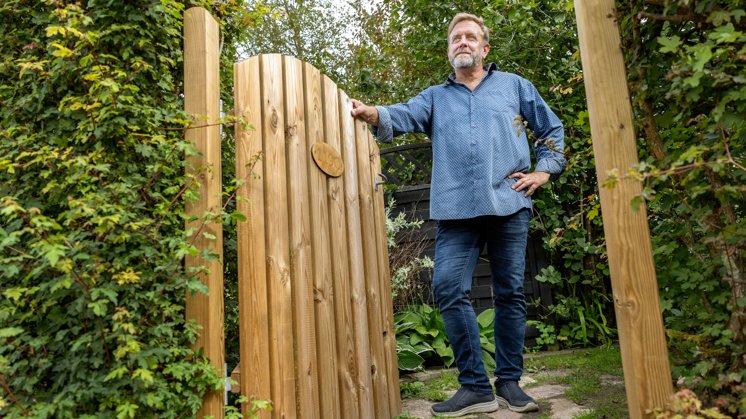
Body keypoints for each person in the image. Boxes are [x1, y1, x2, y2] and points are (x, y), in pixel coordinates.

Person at [351, 12, 565, 417]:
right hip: (456, 210)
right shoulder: (435, 97)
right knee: (448, 288)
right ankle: (475, 387)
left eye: (470, 37)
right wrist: (372, 112)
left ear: (484, 47)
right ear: (450, 51)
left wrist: (544, 170)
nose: (462, 42)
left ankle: (509, 383)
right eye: (456, 39)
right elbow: (402, 114)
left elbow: (551, 131)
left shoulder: (515, 86)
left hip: (509, 203)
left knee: (510, 293)